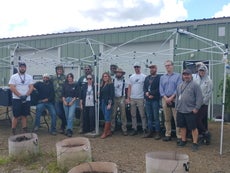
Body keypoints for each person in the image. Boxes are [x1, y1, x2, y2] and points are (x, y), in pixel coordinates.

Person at [176, 69, 203, 151]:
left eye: (188, 74)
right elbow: (177, 97)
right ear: (182, 76)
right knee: (182, 126)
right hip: (180, 110)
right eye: (184, 75)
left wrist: (196, 108)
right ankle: (183, 140)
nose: (186, 76)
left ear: (191, 75)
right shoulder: (180, 85)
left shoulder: (195, 85)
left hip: (191, 110)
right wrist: (177, 107)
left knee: (193, 128)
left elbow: (199, 98)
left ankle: (195, 143)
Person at [159, 60, 182, 143]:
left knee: (176, 118)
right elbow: (161, 89)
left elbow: (179, 88)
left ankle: (179, 136)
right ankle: (167, 134)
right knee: (167, 118)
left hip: (174, 99)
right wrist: (166, 98)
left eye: (169, 65)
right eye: (166, 66)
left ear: (172, 66)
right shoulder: (162, 77)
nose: (168, 67)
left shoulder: (178, 76)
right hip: (165, 99)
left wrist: (172, 97)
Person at [9, 62, 34, 135]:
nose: (22, 68)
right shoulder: (14, 77)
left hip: (27, 98)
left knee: (24, 115)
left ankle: (24, 129)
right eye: (21, 67)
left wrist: (26, 95)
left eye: (23, 67)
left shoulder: (29, 77)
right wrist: (20, 95)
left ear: (26, 68)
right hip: (17, 99)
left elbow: (31, 87)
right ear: (19, 68)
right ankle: (13, 130)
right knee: (16, 115)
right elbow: (12, 87)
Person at [193, 65, 213, 144]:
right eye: (200, 71)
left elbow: (209, 93)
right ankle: (202, 135)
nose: (201, 72)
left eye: (203, 71)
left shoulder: (209, 81)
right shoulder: (195, 79)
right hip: (195, 103)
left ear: (206, 71)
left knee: (198, 119)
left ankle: (206, 133)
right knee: (198, 120)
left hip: (204, 104)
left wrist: (202, 102)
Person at [126, 62, 147, 136]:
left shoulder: (144, 76)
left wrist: (145, 97)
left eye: (137, 67)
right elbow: (129, 87)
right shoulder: (131, 77)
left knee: (142, 114)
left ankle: (144, 128)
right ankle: (134, 128)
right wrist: (128, 98)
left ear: (140, 68)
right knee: (133, 115)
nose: (136, 68)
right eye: (135, 67)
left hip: (140, 98)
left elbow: (146, 88)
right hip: (132, 98)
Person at [143, 64, 161, 140]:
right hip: (148, 100)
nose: (151, 69)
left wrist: (151, 94)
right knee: (149, 116)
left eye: (153, 68)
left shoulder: (159, 78)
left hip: (155, 100)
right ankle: (150, 131)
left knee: (156, 117)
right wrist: (146, 93)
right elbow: (144, 87)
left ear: (156, 69)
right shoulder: (147, 78)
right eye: (150, 68)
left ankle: (157, 132)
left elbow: (159, 88)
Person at [111, 68, 128, 136]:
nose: (118, 74)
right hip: (114, 98)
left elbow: (126, 90)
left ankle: (124, 129)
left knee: (123, 114)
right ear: (116, 73)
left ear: (122, 74)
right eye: (117, 72)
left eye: (120, 72)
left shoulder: (125, 81)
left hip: (122, 98)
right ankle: (112, 128)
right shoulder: (113, 80)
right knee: (113, 114)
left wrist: (127, 98)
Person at [62, 73, 80, 137]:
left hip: (72, 100)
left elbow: (76, 95)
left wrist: (72, 101)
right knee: (67, 116)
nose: (69, 78)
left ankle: (69, 130)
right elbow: (63, 94)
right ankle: (69, 129)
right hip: (65, 100)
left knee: (70, 116)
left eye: (70, 77)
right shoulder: (65, 85)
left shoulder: (76, 84)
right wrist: (64, 101)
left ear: (72, 77)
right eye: (68, 77)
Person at [77, 65, 94, 133]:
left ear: (91, 70)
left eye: (88, 69)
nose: (87, 70)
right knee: (83, 116)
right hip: (84, 100)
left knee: (91, 115)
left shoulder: (95, 77)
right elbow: (78, 87)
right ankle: (82, 128)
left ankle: (92, 128)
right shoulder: (81, 78)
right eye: (86, 69)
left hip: (92, 101)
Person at [52, 64, 66, 134]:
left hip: (64, 99)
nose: (59, 71)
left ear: (62, 70)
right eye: (58, 69)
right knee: (58, 112)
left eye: (60, 69)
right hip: (56, 99)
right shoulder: (53, 77)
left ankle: (63, 127)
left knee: (64, 112)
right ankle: (65, 122)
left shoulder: (65, 77)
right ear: (56, 70)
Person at [100, 72, 115, 139]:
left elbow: (111, 95)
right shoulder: (102, 84)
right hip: (103, 102)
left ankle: (105, 132)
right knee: (105, 116)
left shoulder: (111, 84)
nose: (105, 77)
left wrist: (109, 104)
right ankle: (108, 131)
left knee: (107, 117)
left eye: (106, 76)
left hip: (107, 103)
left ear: (108, 77)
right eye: (104, 76)